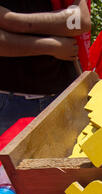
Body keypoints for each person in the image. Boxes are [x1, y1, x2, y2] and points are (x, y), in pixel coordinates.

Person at [0, 0, 91, 136]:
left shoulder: (12, 20)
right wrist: (50, 46)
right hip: (11, 102)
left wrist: (14, 21)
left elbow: (80, 20)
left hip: (64, 97)